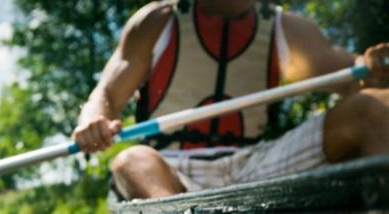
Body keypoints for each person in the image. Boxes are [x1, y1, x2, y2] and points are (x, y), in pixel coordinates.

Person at [72, 0, 389, 200]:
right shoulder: (156, 22)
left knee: (375, 106)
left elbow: (353, 77)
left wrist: (373, 71)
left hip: (253, 165)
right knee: (131, 161)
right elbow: (107, 93)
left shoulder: (286, 28)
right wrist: (92, 120)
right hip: (169, 167)